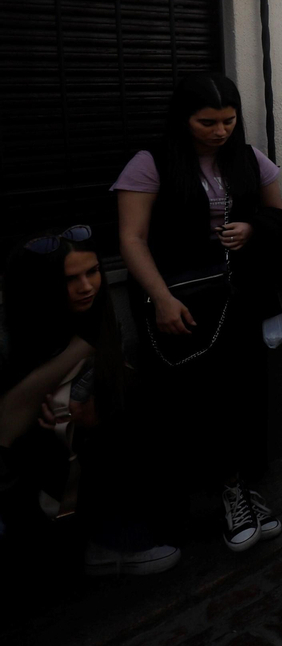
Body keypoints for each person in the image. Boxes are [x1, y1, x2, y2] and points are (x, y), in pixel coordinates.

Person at [114, 74, 282, 554]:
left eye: (228, 121)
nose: (219, 131)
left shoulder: (249, 158)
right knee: (196, 401)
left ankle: (240, 488)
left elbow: (277, 217)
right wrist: (161, 299)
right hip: (181, 302)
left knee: (242, 395)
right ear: (182, 119)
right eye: (206, 122)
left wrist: (252, 228)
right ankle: (220, 495)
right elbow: (132, 238)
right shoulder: (152, 163)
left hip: (239, 299)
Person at [1, 228, 178, 576]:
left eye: (93, 271)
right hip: (33, 473)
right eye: (71, 278)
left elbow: (119, 382)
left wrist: (95, 411)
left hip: (86, 450)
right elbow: (9, 429)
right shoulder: (15, 345)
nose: (87, 286)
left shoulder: (97, 317)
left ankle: (117, 537)